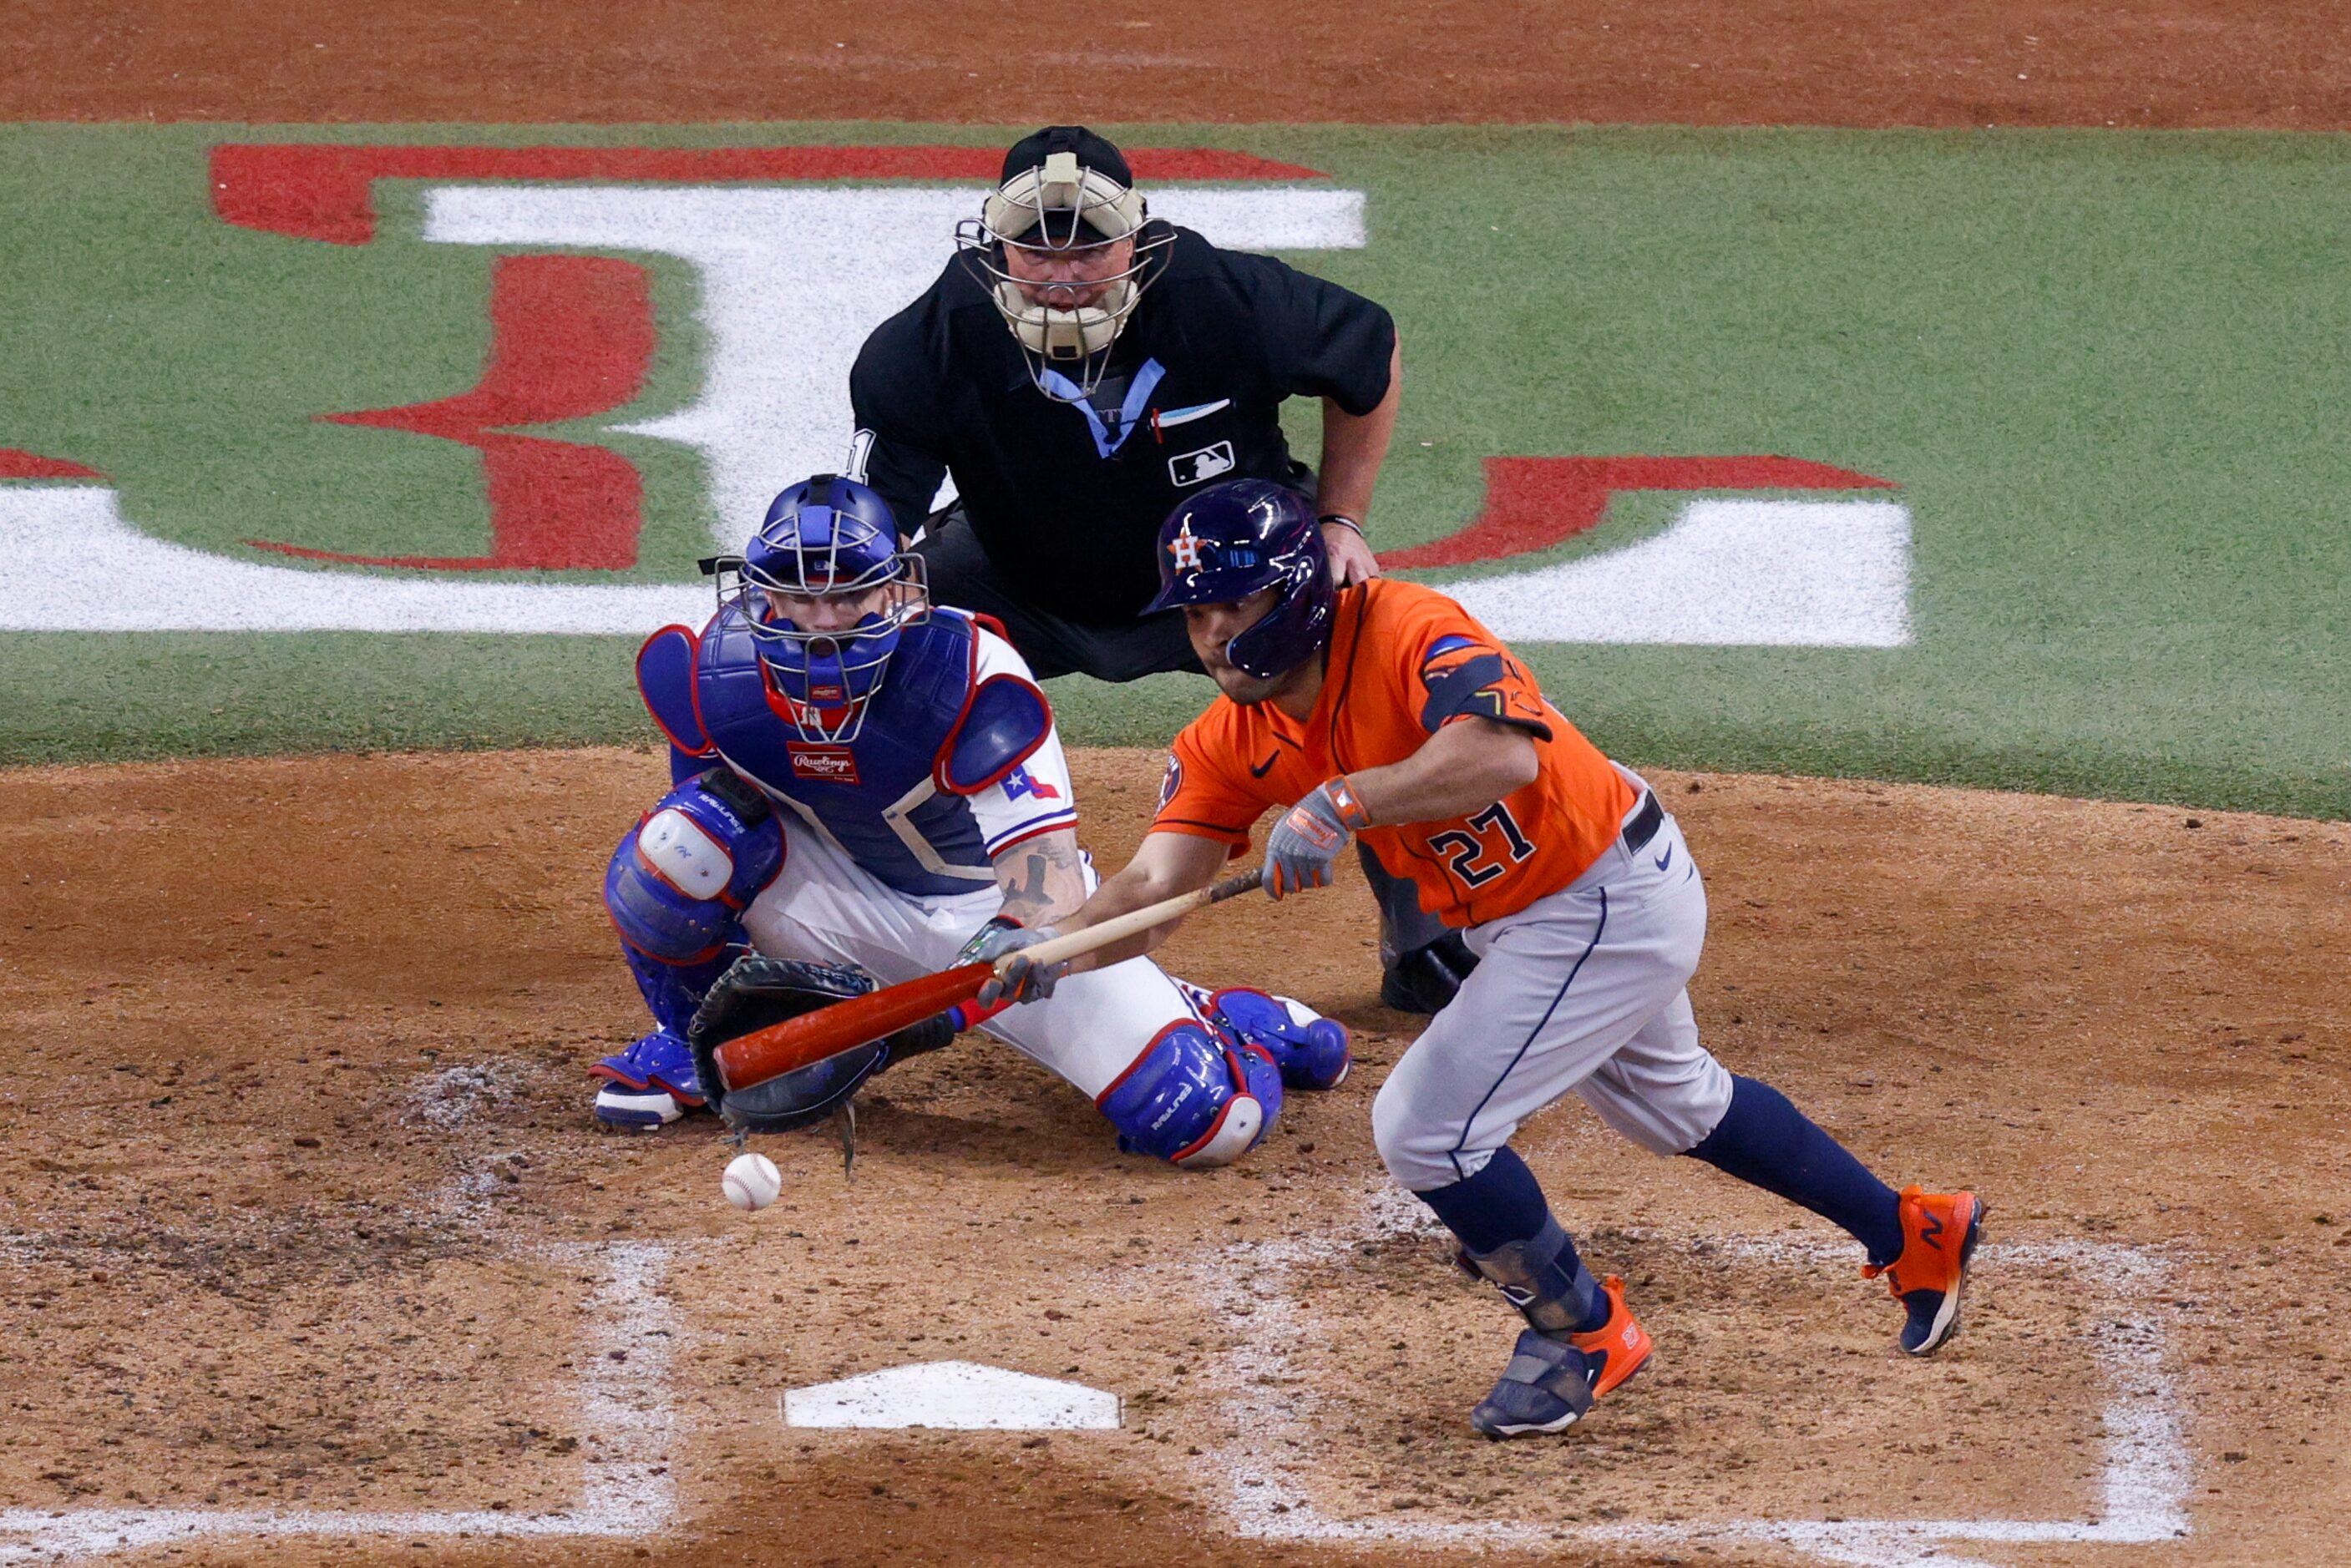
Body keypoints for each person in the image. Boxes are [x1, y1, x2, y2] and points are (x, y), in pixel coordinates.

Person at [975, 478, 1986, 1437]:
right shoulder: (1228, 740)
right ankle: (1910, 1231)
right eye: (1195, 616)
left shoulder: (1408, 629)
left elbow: (1506, 752)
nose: (1211, 638)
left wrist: (1341, 801)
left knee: (1425, 1131)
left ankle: (1579, 1329)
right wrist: (1053, 949)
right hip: (1535, 914)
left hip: (1603, 894)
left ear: (1296, 594)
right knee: (1679, 1105)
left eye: (1231, 608)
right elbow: (1152, 891)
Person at [849, 123, 1471, 1014]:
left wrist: (1339, 521)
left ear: (1136, 236)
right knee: (866, 646)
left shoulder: (1220, 295)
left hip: (1236, 576)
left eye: (1090, 247)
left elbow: (1367, 354)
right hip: (1020, 573)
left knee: (1371, 667)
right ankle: (884, 902)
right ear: (995, 246)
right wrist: (859, 609)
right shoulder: (927, 344)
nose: (1064, 276)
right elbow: (877, 528)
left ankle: (1428, 930)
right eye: (1035, 250)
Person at [588, 473, 1350, 1168]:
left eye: (850, 594)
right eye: (799, 594)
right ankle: (692, 1045)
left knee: (1206, 1124)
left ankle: (1231, 1021)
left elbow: (1042, 883)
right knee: (676, 848)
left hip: (993, 923)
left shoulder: (970, 678)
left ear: (895, 592)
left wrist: (1005, 954)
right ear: (761, 595)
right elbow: (719, 817)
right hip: (837, 903)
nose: (824, 622)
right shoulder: (705, 673)